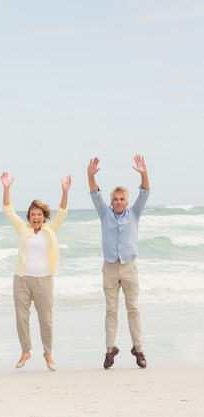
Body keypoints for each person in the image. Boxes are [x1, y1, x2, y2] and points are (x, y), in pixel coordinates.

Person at [0, 172, 71, 371]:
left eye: (39, 215)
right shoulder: (23, 229)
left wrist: (64, 191)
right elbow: (8, 210)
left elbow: (63, 212)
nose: (36, 218)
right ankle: (26, 351)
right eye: (33, 215)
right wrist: (6, 188)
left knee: (45, 319)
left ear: (44, 216)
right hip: (22, 279)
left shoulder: (51, 229)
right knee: (22, 318)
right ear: (29, 217)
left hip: (44, 281)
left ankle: (48, 354)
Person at [87, 155, 150, 369]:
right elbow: (95, 194)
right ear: (111, 201)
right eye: (115, 199)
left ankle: (138, 349)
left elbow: (145, 192)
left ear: (127, 201)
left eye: (122, 199)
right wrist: (90, 175)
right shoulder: (105, 213)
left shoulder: (134, 213)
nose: (118, 202)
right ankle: (109, 350)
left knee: (133, 308)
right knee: (111, 310)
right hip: (110, 268)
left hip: (129, 267)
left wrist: (143, 172)